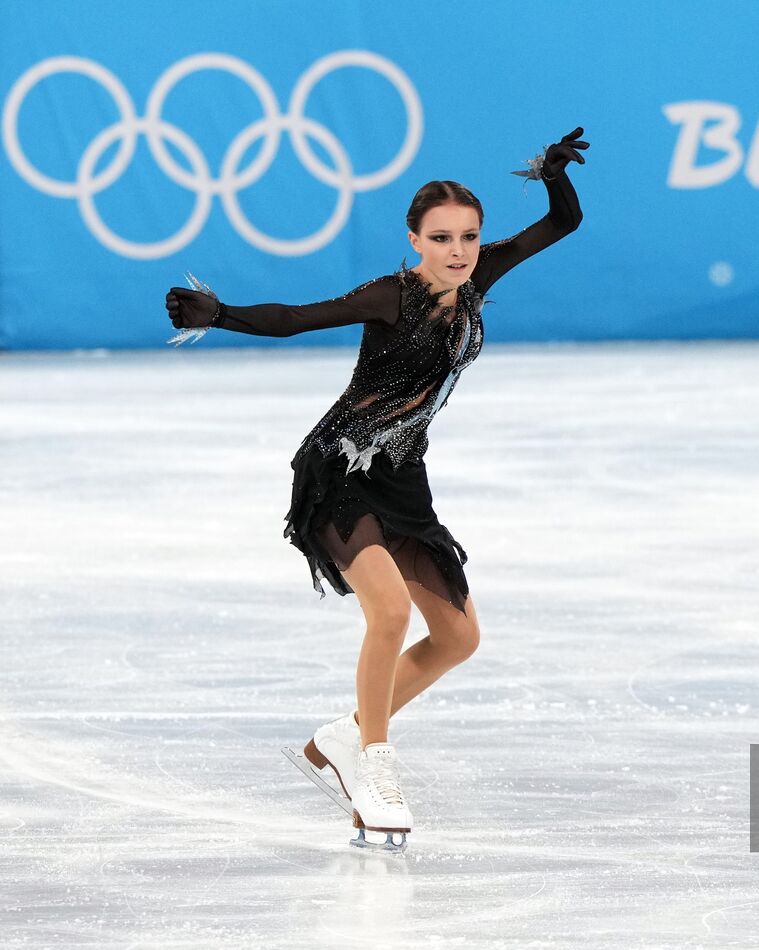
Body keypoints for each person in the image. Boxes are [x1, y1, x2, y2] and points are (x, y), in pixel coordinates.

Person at [165, 127, 588, 850]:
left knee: (457, 636)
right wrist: (223, 314)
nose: (459, 251)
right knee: (389, 612)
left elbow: (563, 222)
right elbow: (297, 320)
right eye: (443, 237)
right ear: (415, 239)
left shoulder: (477, 282)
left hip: (404, 478)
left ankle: (347, 734)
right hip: (340, 470)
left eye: (470, 237)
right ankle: (375, 766)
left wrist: (551, 175)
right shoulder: (390, 296)